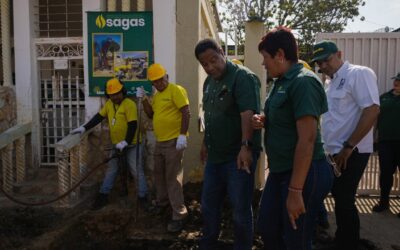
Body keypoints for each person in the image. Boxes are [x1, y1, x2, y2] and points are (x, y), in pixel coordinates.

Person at [253, 27, 333, 250]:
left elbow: (307, 140)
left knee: (296, 238)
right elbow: (286, 116)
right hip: (280, 171)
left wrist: (296, 191)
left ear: (280, 54)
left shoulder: (303, 82)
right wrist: (265, 120)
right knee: (268, 227)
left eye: (265, 58)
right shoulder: (281, 81)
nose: (263, 64)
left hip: (303, 174)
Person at [194, 38, 262, 250]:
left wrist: (245, 147)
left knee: (240, 210)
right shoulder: (209, 82)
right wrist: (205, 143)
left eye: (214, 60)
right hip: (215, 157)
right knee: (208, 205)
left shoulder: (242, 77)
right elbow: (211, 115)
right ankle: (208, 244)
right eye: (205, 64)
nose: (210, 67)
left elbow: (248, 113)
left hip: (237, 156)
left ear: (222, 52)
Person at [312, 40, 380, 249]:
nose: (323, 66)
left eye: (327, 60)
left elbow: (372, 110)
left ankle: (348, 243)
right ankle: (345, 239)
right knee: (341, 199)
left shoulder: (358, 74)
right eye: (319, 63)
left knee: (344, 199)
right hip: (333, 152)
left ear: (339, 54)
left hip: (352, 151)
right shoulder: (329, 83)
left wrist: (349, 146)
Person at [71, 78, 148, 210]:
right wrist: (85, 127)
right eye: (112, 94)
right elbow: (98, 117)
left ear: (122, 92)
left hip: (133, 144)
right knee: (111, 170)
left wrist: (126, 142)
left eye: (118, 93)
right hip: (116, 145)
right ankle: (103, 196)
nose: (115, 96)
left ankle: (143, 198)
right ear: (108, 95)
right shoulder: (108, 105)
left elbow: (133, 125)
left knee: (137, 171)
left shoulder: (129, 104)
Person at [136, 63, 190, 233]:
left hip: (174, 141)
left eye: (161, 80)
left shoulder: (176, 90)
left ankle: (179, 214)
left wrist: (182, 134)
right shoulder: (157, 96)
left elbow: (185, 112)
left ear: (166, 76)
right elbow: (151, 114)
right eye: (155, 82)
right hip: (160, 141)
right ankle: (162, 203)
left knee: (172, 177)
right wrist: (144, 98)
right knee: (158, 173)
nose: (159, 84)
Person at [372, 72, 400, 217]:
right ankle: (383, 202)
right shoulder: (384, 97)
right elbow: (376, 117)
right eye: (396, 80)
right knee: (386, 174)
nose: (396, 82)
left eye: (399, 81)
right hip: (385, 142)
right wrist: (374, 136)